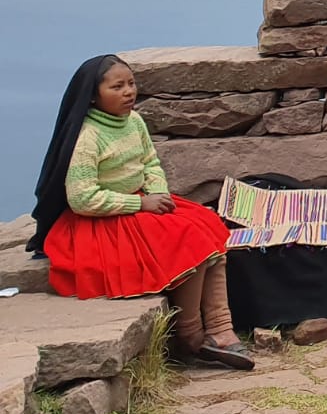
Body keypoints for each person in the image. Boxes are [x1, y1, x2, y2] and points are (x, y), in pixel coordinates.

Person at [30, 55, 252, 370]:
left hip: (140, 202)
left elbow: (149, 163)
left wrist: (157, 192)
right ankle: (189, 335)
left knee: (206, 222)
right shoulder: (88, 137)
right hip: (104, 221)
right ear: (93, 95)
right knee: (189, 240)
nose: (128, 92)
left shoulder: (133, 121)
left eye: (131, 84)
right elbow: (81, 198)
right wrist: (139, 204)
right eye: (117, 86)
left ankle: (220, 328)